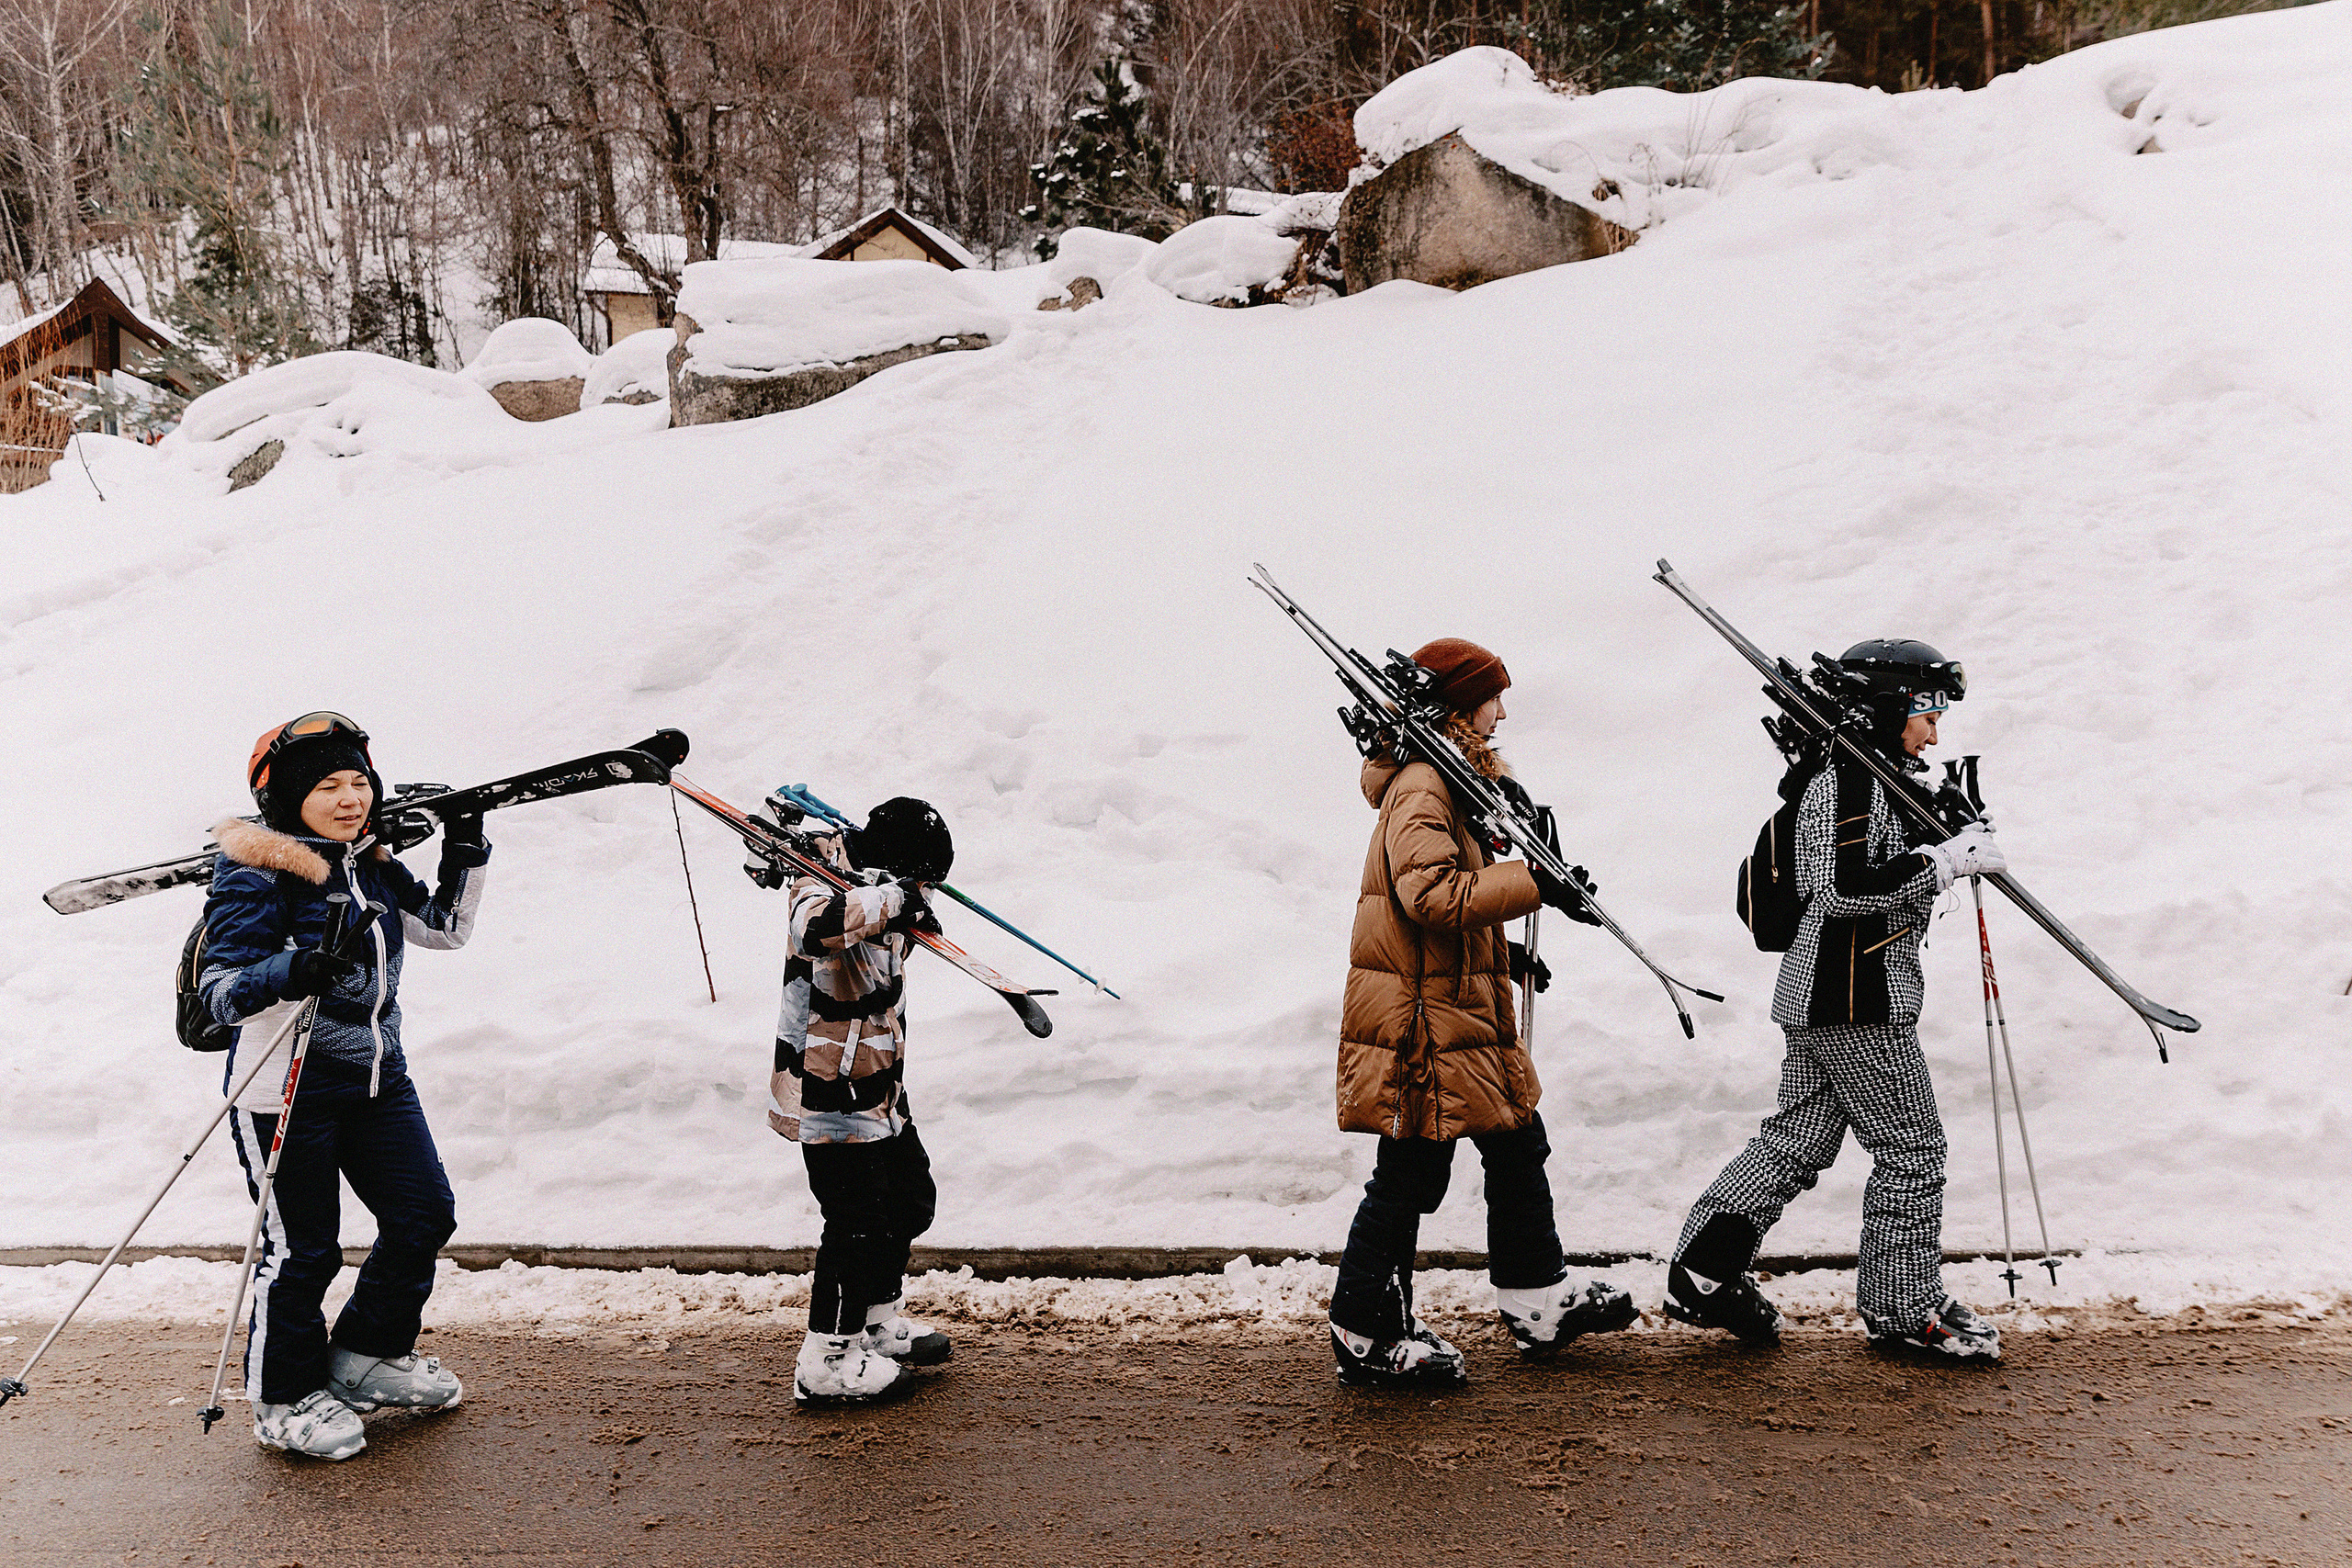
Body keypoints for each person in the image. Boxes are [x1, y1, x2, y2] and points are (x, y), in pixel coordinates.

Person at [1664, 640, 2007, 1361]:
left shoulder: (1869, 774)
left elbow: (1877, 859)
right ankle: (1904, 1306)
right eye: (1924, 713)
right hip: (1854, 999)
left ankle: (1703, 1271)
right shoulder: (1849, 777)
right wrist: (1941, 864)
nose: (1934, 731)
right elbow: (1843, 886)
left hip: (1831, 995)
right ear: (1886, 708)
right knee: (1913, 1150)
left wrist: (1953, 835)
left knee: (1797, 1141)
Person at [1326, 637, 1639, 1390]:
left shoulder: (1449, 780)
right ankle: (1364, 1327)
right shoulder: (1425, 784)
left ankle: (1538, 1297)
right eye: (1492, 697)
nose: (1503, 712)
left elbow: (1447, 905)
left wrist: (1506, 954)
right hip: (1423, 1022)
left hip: (1456, 1005)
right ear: (1461, 707)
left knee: (1515, 1137)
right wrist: (1531, 883)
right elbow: (1428, 896)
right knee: (1410, 1172)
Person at [198, 712, 489, 1460]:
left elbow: (446, 926)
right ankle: (284, 1396)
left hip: (376, 1077)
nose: (349, 796)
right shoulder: (256, 870)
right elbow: (221, 991)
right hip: (286, 1085)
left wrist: (465, 846)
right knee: (303, 1253)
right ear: (290, 797)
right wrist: (293, 969)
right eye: (328, 784)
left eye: (359, 780)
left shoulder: (370, 863)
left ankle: (364, 1354)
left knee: (423, 1213)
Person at [762, 796, 956, 1409]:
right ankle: (826, 1358)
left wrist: (909, 918)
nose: (924, 889)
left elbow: (873, 965)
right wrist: (898, 900)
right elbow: (816, 930)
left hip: (881, 1090)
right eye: (922, 877)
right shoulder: (816, 879)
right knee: (856, 1226)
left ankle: (875, 1322)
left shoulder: (876, 887)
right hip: (832, 1096)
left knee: (909, 1200)